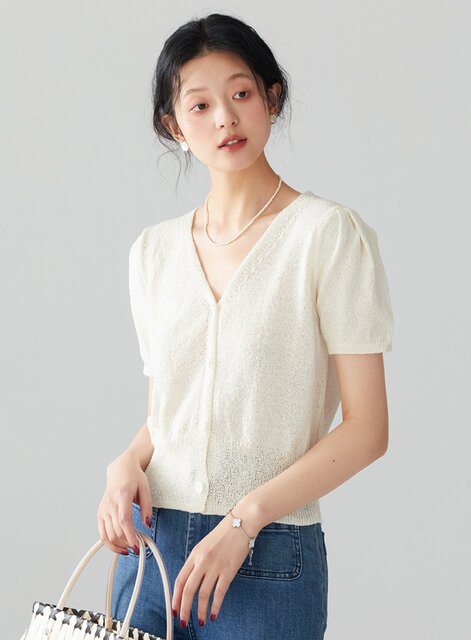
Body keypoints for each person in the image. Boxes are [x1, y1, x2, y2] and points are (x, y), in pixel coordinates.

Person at [96, 12, 394, 640]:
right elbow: (171, 415)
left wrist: (245, 519)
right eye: (200, 105)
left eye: (241, 94)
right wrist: (124, 463)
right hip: (150, 553)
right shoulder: (153, 252)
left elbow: (368, 430)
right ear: (174, 126)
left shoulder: (325, 236)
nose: (225, 119)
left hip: (266, 558)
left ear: (271, 98)